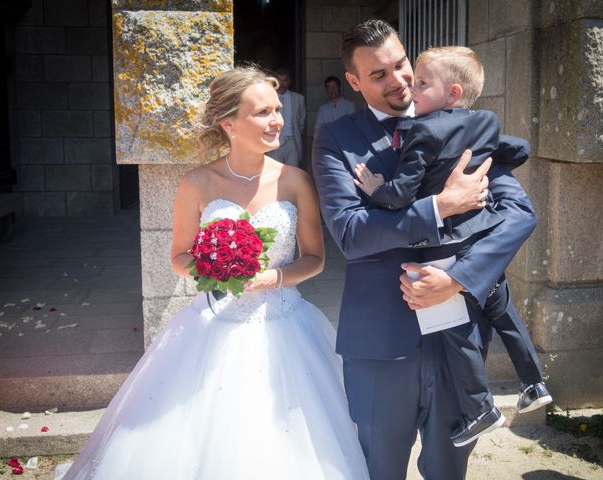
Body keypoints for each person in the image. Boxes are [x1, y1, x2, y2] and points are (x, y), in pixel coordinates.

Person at [57, 66, 369, 480]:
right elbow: (179, 257)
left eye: (277, 110)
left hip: (286, 325)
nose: (277, 120)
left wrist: (272, 278)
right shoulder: (197, 183)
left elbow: (315, 258)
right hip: (213, 324)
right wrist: (218, 270)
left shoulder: (296, 182)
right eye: (262, 112)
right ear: (229, 124)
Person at [312, 20, 537, 480]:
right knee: (378, 468)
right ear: (353, 82)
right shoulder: (336, 139)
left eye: (400, 65)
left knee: (449, 470)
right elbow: (352, 234)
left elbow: (518, 214)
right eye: (378, 75)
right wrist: (440, 206)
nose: (398, 80)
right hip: (380, 344)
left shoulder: (464, 122)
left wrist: (457, 280)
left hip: (461, 340)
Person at [352, 45, 551, 447]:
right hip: (482, 240)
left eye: (421, 82)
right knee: (506, 316)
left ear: (453, 93)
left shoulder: (424, 130)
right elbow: (517, 149)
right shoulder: (487, 122)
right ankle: (534, 385)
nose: (410, 86)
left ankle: (480, 407)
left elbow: (403, 192)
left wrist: (376, 191)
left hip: (445, 250)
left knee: (450, 329)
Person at [267, 67, 305, 167]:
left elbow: (301, 121)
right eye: (280, 81)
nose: (282, 84)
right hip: (274, 140)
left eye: (285, 81)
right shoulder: (268, 98)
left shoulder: (298, 99)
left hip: (292, 141)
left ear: (289, 81)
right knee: (273, 170)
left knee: (293, 170)